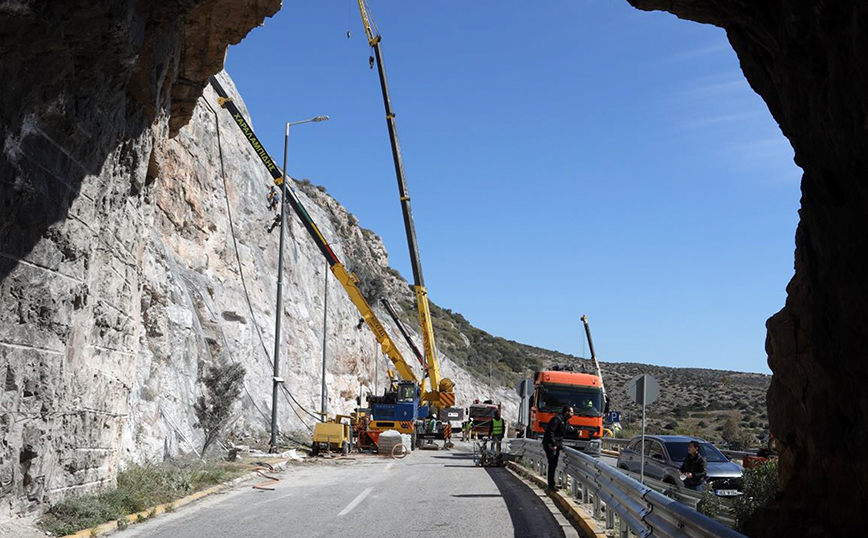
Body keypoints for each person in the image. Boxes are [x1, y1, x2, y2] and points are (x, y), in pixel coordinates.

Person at [543, 405, 574, 491]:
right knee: (552, 463)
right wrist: (554, 444)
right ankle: (551, 485)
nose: (572, 414)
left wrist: (576, 432)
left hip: (556, 444)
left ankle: (552, 484)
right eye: (571, 412)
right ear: (567, 412)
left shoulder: (565, 421)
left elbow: (567, 431)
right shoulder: (557, 419)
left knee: (554, 464)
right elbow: (550, 432)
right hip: (550, 444)